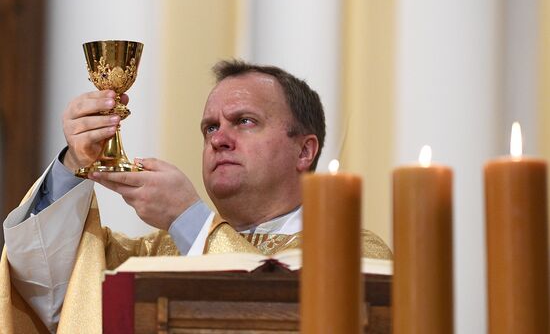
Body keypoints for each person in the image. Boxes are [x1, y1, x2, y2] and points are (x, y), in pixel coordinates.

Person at [0, 60, 392, 333]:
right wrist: (73, 166)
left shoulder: (352, 256)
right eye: (209, 128)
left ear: (304, 151)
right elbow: (48, 287)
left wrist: (189, 219)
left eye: (245, 121)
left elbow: (283, 322)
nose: (219, 138)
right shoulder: (150, 257)